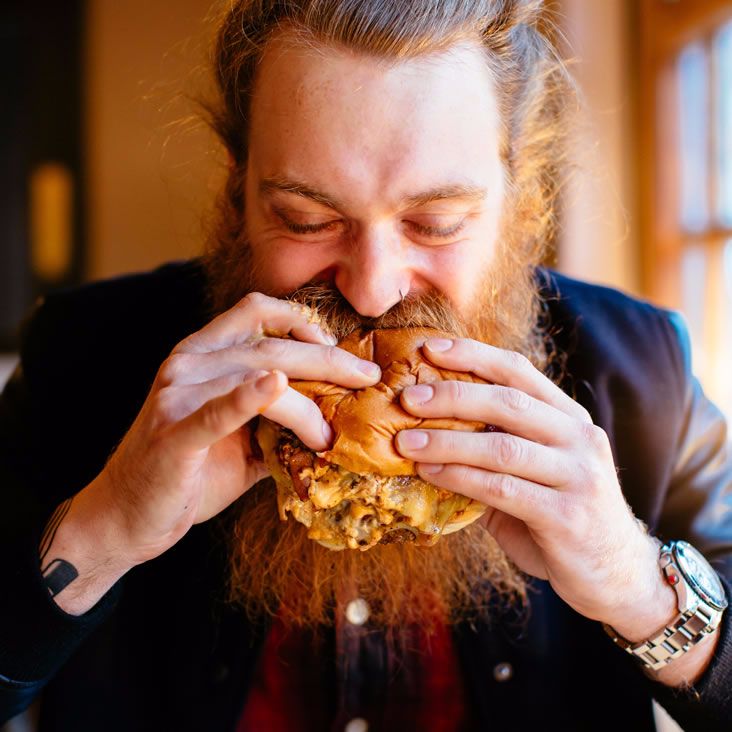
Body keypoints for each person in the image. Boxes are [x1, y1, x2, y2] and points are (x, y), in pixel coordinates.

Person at [1, 1, 731, 730]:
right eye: (306, 219)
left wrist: (637, 587)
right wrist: (101, 533)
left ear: (518, 197)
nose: (374, 290)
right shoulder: (79, 355)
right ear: (238, 187)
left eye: (436, 223)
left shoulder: (646, 373)